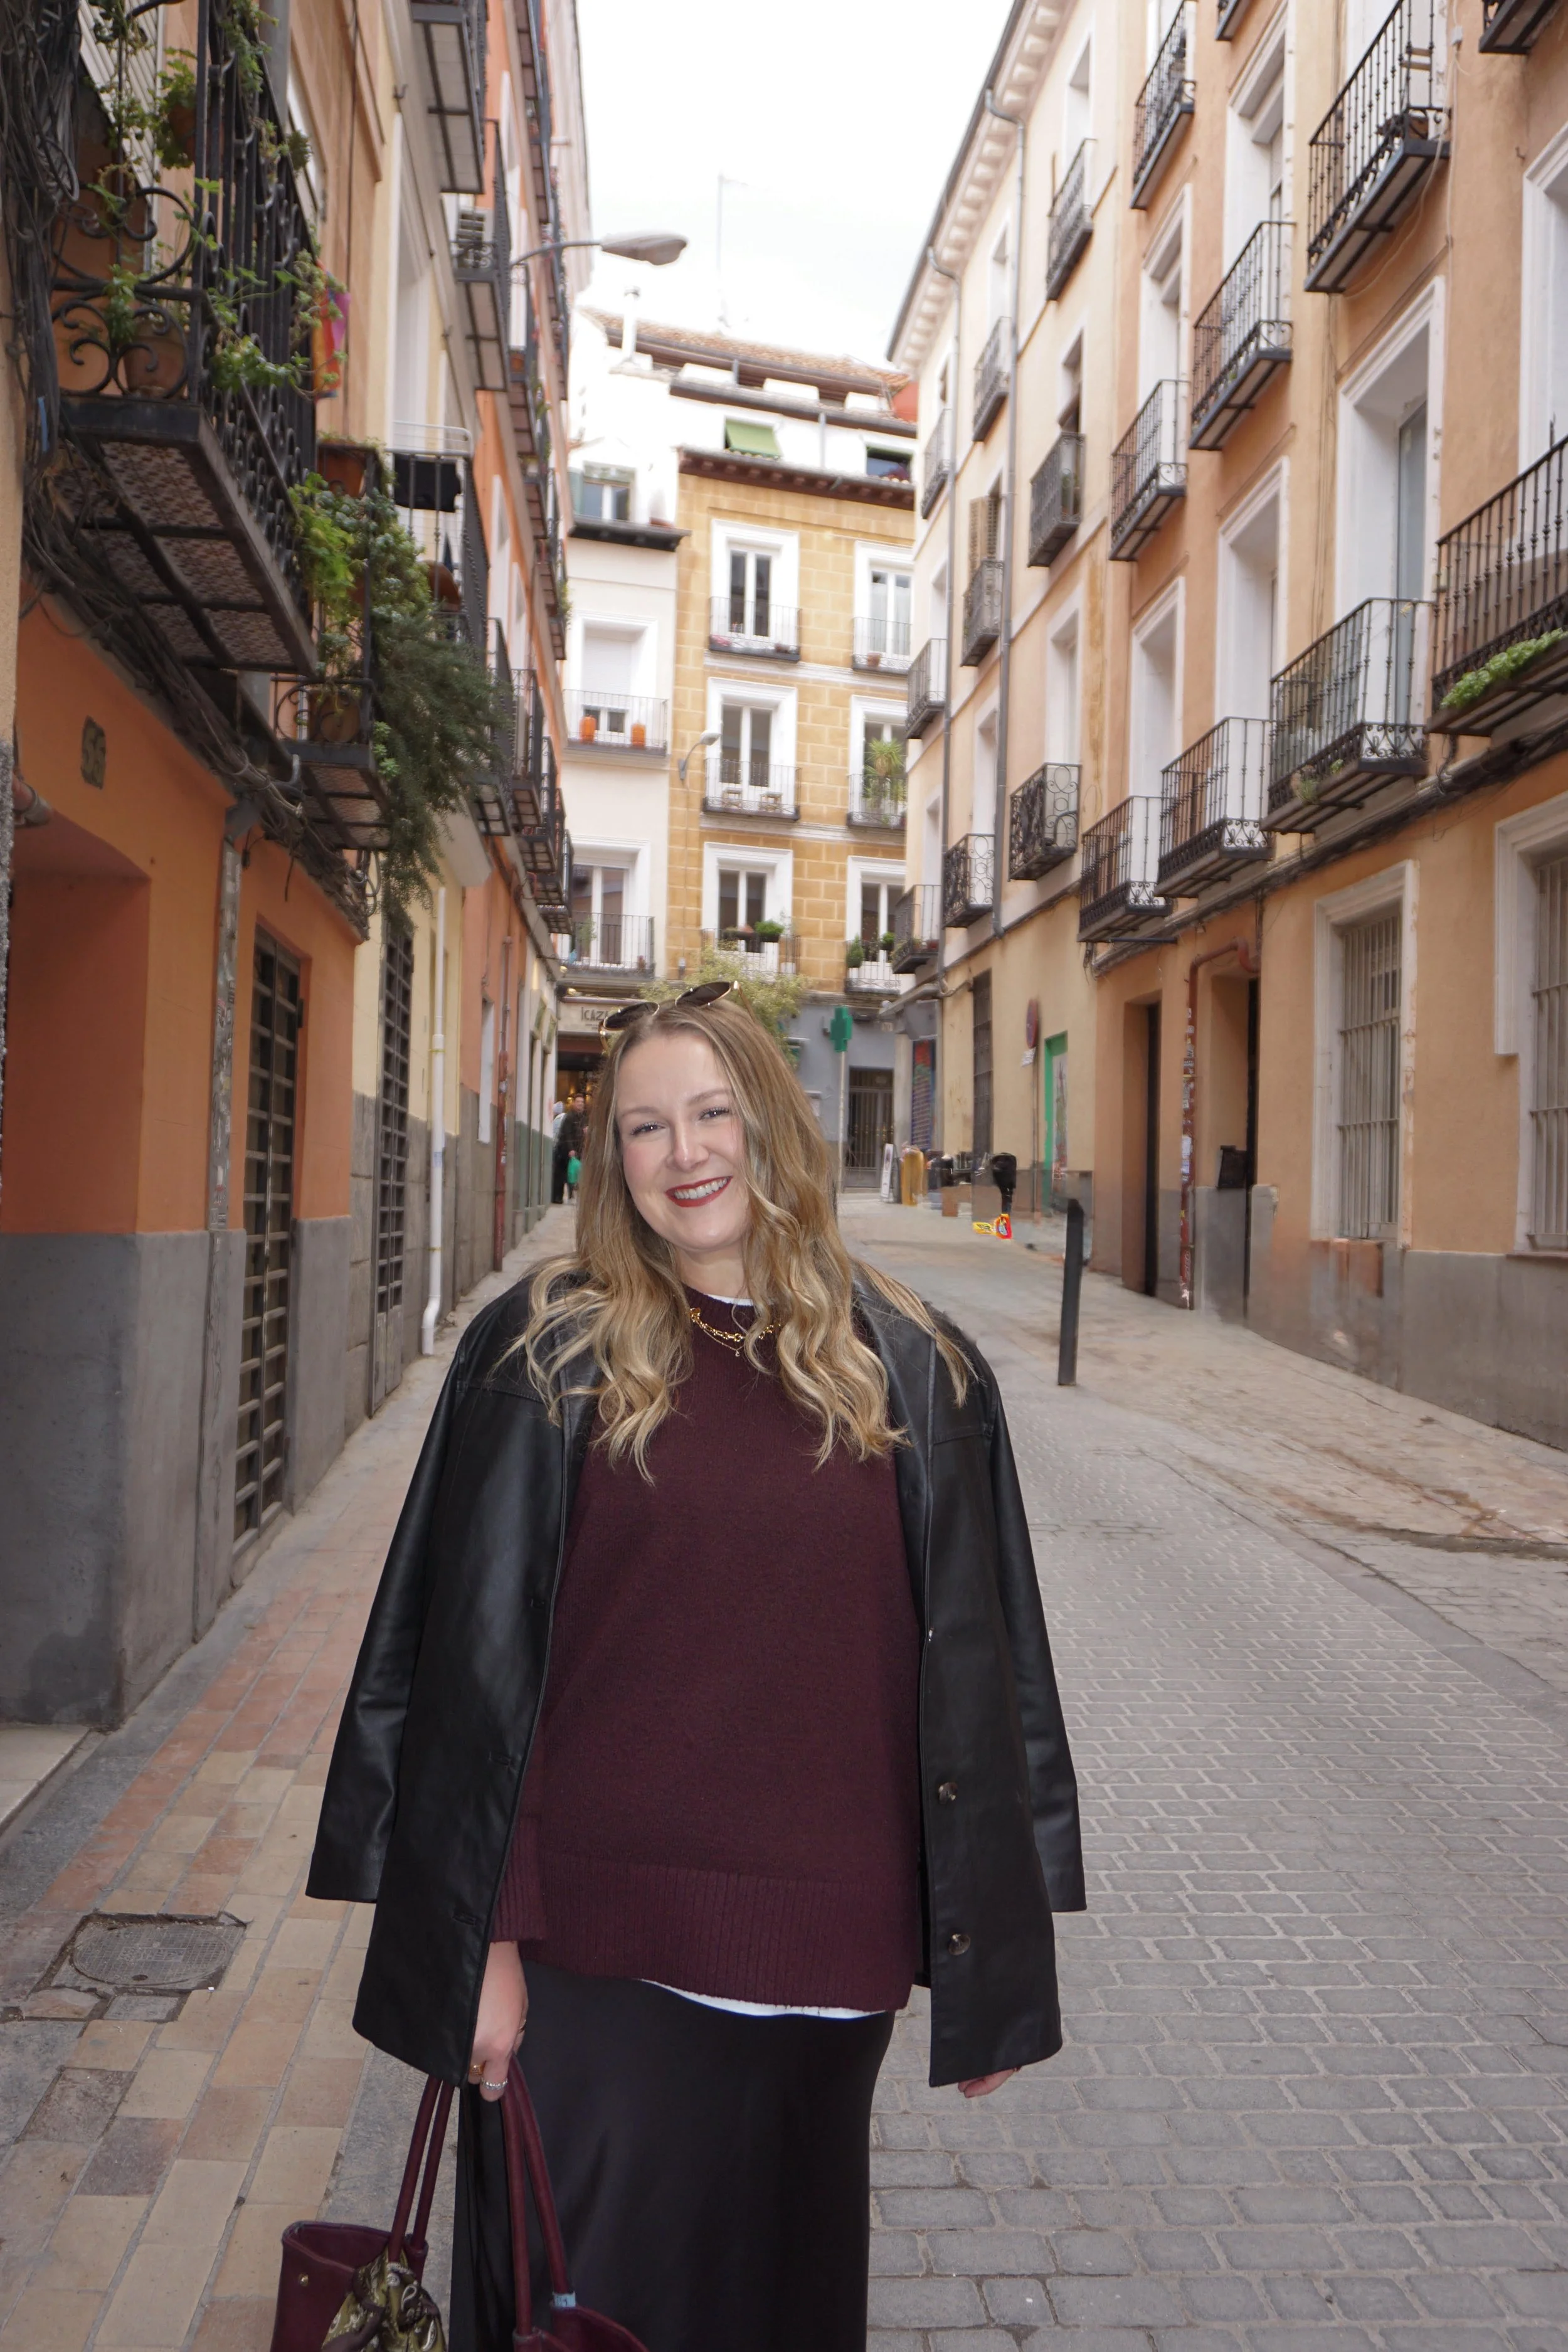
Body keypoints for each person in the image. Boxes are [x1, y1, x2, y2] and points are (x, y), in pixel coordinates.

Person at [307, 983, 1084, 2352]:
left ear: (774, 1124)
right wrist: (486, 1942)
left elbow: (990, 1668)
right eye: (645, 1126)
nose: (685, 1153)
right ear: (611, 1158)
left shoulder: (917, 1366)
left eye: (713, 1113)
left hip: (826, 1983)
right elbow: (472, 1672)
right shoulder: (544, 1351)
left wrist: (1000, 1969)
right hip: (592, 1970)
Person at [550, 1091, 585, 1204]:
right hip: (565, 1150)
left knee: (572, 1173)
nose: (580, 1104)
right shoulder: (569, 1117)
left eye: (582, 1102)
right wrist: (571, 1149)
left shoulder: (582, 1117)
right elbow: (567, 1134)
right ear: (574, 1103)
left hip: (575, 1149)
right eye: (578, 1102)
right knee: (563, 1174)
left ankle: (568, 1196)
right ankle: (557, 1198)